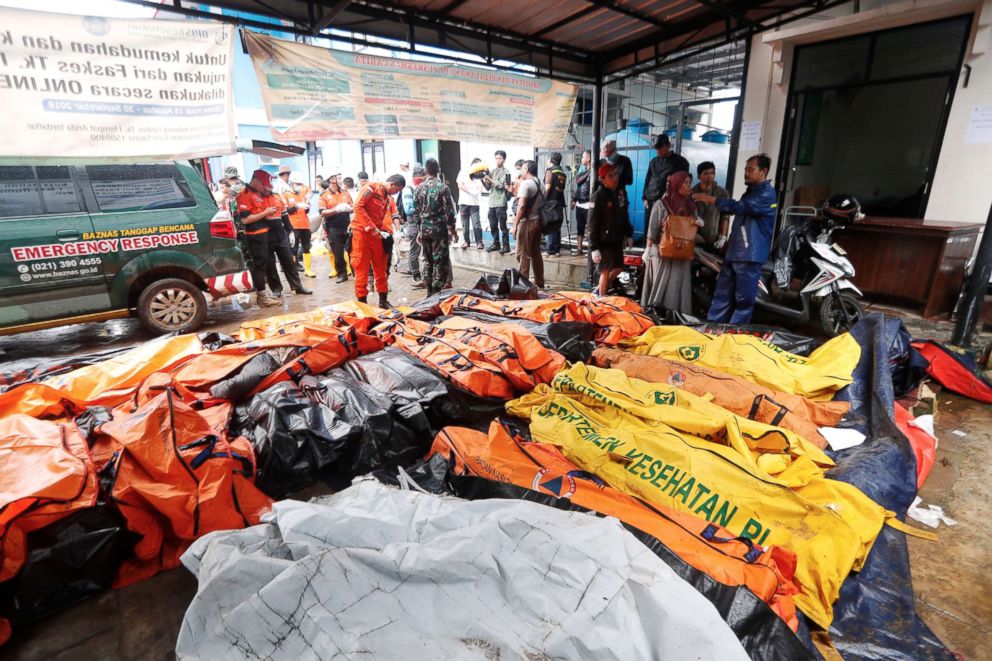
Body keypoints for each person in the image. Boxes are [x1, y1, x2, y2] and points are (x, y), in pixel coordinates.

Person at [693, 153, 777, 325]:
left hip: (749, 255)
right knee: (722, 294)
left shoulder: (766, 194)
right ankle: (712, 328)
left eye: (751, 170)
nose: (746, 173)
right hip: (735, 252)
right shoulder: (751, 193)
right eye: (745, 169)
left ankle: (734, 333)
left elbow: (741, 207)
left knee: (743, 300)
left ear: (764, 171)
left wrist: (713, 200)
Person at [641, 171, 704, 313]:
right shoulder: (661, 204)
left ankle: (676, 314)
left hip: (682, 253)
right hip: (663, 252)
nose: (689, 186)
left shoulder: (691, 206)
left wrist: (698, 224)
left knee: (677, 284)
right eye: (686, 183)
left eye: (689, 183)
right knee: (659, 282)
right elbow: (653, 228)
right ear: (676, 184)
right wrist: (648, 249)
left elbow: (691, 229)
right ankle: (656, 312)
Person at [351, 174, 405, 307]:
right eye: (396, 190)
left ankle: (383, 300)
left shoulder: (387, 197)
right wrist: (371, 226)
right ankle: (362, 304)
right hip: (362, 234)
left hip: (376, 235)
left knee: (381, 267)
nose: (396, 193)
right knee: (361, 269)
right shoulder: (371, 188)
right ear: (392, 184)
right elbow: (358, 207)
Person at [235, 170, 282, 307]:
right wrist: (265, 213)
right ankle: (262, 297)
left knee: (264, 264)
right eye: (263, 185)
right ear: (256, 181)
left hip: (263, 233)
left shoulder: (256, 193)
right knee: (259, 266)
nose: (264, 188)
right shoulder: (244, 195)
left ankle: (264, 295)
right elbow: (245, 220)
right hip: (254, 236)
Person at [414, 158, 458, 296]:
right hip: (439, 231)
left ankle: (429, 290)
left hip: (425, 231)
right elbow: (449, 212)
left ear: (426, 171)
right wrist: (452, 230)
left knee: (428, 260)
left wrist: (419, 230)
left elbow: (416, 212)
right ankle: (436, 291)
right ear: (438, 170)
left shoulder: (419, 188)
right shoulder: (443, 188)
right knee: (440, 261)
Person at [588, 162, 633, 295]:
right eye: (610, 176)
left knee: (619, 268)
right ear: (602, 180)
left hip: (616, 239)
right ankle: (601, 300)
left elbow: (624, 215)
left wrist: (629, 234)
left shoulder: (620, 193)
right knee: (605, 271)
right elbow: (592, 223)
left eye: (615, 174)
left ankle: (598, 290)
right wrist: (594, 247)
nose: (615, 178)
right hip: (603, 241)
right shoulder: (598, 196)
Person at [262, 176, 312, 297]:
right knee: (270, 264)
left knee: (289, 261)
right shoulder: (257, 198)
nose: (268, 187)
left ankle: (297, 286)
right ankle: (276, 289)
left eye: (269, 185)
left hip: (280, 233)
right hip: (265, 234)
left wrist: (290, 231)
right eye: (266, 185)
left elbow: (284, 215)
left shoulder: (277, 197)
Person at [514, 160, 545, 288]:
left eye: (522, 168)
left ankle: (522, 285)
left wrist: (515, 225)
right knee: (536, 254)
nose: (521, 171)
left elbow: (521, 206)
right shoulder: (540, 183)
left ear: (526, 170)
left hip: (527, 222)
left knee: (523, 254)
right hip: (538, 221)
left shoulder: (526, 184)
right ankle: (540, 282)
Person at [642, 134, 689, 215]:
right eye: (656, 148)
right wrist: (644, 198)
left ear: (668, 146)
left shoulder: (680, 162)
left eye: (660, 148)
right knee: (649, 227)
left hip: (667, 204)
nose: (658, 151)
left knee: (665, 227)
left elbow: (684, 184)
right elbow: (647, 180)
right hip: (650, 202)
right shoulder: (653, 162)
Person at [319, 174, 353, 283]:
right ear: (331, 180)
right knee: (338, 253)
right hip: (333, 228)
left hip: (347, 225)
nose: (340, 180)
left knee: (352, 251)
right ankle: (342, 274)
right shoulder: (324, 195)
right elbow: (322, 212)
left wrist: (349, 208)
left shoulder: (345, 192)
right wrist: (336, 210)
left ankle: (356, 272)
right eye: (337, 178)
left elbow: (353, 207)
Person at [283, 171, 315, 277]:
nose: (299, 186)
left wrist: (307, 207)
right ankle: (293, 269)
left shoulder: (302, 195)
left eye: (300, 184)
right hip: (294, 225)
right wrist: (296, 206)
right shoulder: (286, 194)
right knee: (294, 248)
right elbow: (286, 211)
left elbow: (305, 210)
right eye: (297, 184)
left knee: (306, 247)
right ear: (292, 183)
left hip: (305, 224)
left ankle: (308, 269)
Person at [692, 161, 731, 248]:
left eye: (712, 173)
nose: (709, 176)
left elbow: (725, 217)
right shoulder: (692, 193)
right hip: (694, 238)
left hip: (713, 238)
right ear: (699, 176)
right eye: (705, 173)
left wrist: (723, 236)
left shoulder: (722, 193)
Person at [401, 165, 426, 287]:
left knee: (427, 252)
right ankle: (415, 275)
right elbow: (408, 209)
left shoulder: (425, 187)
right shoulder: (409, 189)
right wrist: (424, 209)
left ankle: (426, 276)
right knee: (414, 252)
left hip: (426, 225)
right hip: (414, 225)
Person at [482, 150, 511, 254]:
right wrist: (483, 179)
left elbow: (501, 185)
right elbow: (487, 188)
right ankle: (496, 244)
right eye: (496, 158)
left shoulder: (506, 172)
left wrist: (490, 179)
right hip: (492, 202)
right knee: (493, 225)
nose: (498, 160)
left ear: (504, 159)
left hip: (501, 202)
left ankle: (506, 246)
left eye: (500, 158)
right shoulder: (493, 171)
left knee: (503, 226)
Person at [599, 139, 633, 219]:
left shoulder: (625, 161)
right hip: (605, 196)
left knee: (621, 218)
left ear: (614, 150)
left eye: (608, 154)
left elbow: (629, 181)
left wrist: (614, 178)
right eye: (604, 154)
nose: (606, 156)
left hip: (620, 195)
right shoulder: (602, 162)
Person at [543, 152, 568, 256]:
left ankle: (550, 250)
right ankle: (557, 250)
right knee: (557, 226)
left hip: (550, 203)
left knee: (550, 225)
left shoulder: (550, 171)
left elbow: (547, 187)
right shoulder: (562, 172)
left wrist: (542, 199)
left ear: (550, 160)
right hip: (559, 202)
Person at [457, 158, 484, 249]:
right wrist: (470, 191)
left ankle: (479, 242)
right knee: (465, 224)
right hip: (464, 202)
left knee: (476, 223)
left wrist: (477, 192)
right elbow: (460, 185)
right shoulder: (464, 171)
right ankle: (466, 241)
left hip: (474, 203)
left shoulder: (479, 175)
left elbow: (481, 188)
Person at [571, 150, 591, 256]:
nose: (582, 159)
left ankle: (590, 249)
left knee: (590, 228)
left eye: (583, 157)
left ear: (588, 159)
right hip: (580, 203)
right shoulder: (583, 171)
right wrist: (574, 199)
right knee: (580, 227)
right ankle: (579, 248)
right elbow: (577, 183)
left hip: (589, 203)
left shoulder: (595, 173)